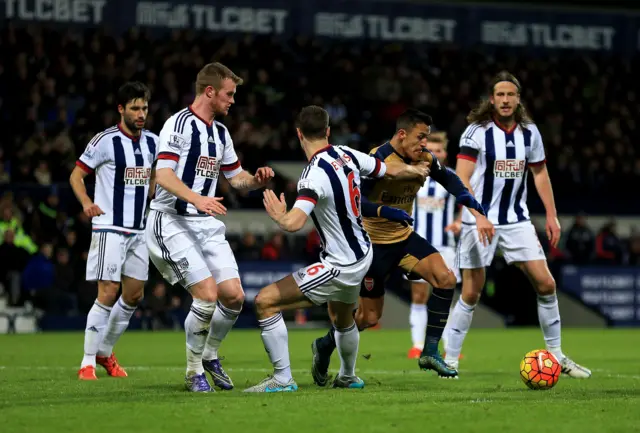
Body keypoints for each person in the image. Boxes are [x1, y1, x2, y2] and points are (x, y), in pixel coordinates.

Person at [244, 106, 429, 392]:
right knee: (344, 319)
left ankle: (282, 379)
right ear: (328, 131)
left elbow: (294, 223)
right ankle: (347, 376)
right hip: (363, 255)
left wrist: (280, 215)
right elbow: (386, 168)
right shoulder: (347, 153)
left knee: (265, 302)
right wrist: (413, 168)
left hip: (339, 265)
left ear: (298, 134)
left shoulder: (312, 176)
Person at [311, 109, 488, 383]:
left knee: (445, 279)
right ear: (402, 134)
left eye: (427, 138)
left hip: (404, 239)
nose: (424, 144)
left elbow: (448, 178)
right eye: (420, 137)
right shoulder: (376, 160)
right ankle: (324, 345)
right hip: (373, 245)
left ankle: (429, 351)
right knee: (368, 318)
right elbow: (356, 202)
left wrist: (466, 197)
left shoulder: (424, 158)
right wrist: (386, 211)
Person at [444, 71, 591, 378]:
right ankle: (451, 361)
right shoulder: (476, 132)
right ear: (492, 99)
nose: (506, 100)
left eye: (511, 94)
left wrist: (551, 214)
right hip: (478, 221)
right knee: (471, 292)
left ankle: (556, 356)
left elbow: (539, 174)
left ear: (518, 99)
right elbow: (462, 177)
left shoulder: (530, 133)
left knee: (546, 283)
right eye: (500, 94)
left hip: (517, 221)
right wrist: (479, 215)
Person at [146, 62, 275, 392]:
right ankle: (193, 373)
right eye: (229, 94)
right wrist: (196, 198)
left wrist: (255, 181)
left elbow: (235, 177)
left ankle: (209, 355)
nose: (233, 101)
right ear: (209, 92)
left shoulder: (221, 133)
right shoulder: (178, 124)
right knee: (206, 295)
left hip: (204, 222)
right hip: (170, 219)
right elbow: (163, 175)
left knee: (233, 296)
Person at [70, 82, 159, 380]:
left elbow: (159, 172)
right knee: (108, 292)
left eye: (144, 107)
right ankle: (86, 361)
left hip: (138, 229)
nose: (141, 113)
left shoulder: (152, 143)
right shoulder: (105, 141)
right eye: (135, 108)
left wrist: (155, 189)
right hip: (110, 227)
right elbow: (76, 175)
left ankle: (105, 351)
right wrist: (85, 202)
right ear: (121, 109)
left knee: (133, 295)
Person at [403, 131, 462, 359]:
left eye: (439, 150)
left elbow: (465, 204)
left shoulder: (452, 177)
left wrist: (458, 222)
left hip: (446, 245)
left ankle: (448, 344)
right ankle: (417, 345)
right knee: (419, 295)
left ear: (444, 153)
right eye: (431, 150)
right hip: (417, 245)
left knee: (446, 294)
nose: (435, 154)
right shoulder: (413, 176)